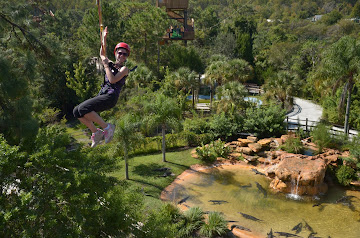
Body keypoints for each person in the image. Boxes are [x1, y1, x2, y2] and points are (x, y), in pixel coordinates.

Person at [73, 27, 130, 147]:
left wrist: (106, 66)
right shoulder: (109, 64)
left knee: (83, 109)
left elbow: (112, 80)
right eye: (120, 53)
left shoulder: (124, 69)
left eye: (124, 54)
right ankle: (96, 132)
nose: (122, 56)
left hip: (111, 97)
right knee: (77, 112)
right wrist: (104, 38)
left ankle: (107, 127)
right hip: (103, 95)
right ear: (116, 53)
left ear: (126, 57)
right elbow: (102, 54)